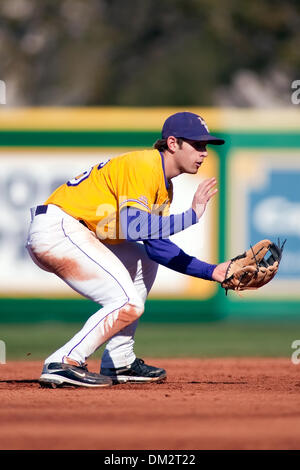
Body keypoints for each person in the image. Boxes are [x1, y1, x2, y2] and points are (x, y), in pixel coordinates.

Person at [26, 111, 230, 388]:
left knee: (145, 259)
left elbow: (158, 248)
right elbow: (135, 227)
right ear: (173, 144)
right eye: (198, 144)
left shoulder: (162, 185)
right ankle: (63, 361)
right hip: (60, 228)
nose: (204, 153)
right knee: (127, 302)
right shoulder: (145, 165)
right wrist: (191, 216)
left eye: (206, 146)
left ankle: (119, 361)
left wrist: (213, 272)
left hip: (73, 231)